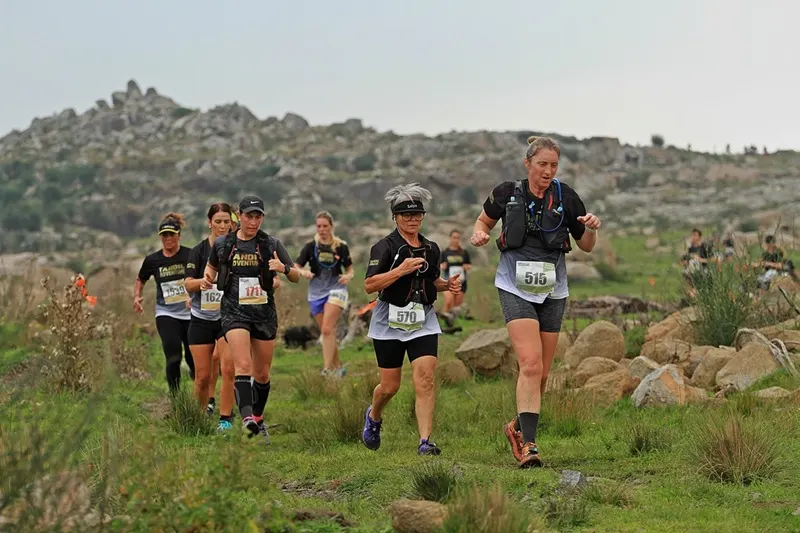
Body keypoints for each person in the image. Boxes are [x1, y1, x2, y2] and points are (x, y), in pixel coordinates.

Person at [470, 136, 601, 468]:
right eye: (542, 164)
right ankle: (529, 445)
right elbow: (483, 221)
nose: (548, 171)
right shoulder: (506, 192)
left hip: (553, 290)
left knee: (541, 373)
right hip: (514, 286)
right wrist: (479, 234)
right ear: (527, 163)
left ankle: (517, 426)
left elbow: (586, 246)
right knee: (529, 364)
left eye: (554, 165)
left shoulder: (567, 197)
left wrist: (591, 229)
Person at [361, 183, 461, 456]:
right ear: (395, 217)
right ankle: (374, 415)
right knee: (389, 386)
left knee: (425, 378)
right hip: (389, 320)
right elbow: (370, 285)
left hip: (422, 319)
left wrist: (446, 285)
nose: (412, 219)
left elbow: (430, 280)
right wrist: (401, 270)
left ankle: (425, 442)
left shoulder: (431, 248)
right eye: (406, 215)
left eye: (417, 214)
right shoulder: (384, 247)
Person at [204, 195, 299, 439]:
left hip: (263, 314)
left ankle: (257, 417)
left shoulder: (271, 244)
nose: (253, 222)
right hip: (234, 312)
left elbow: (296, 276)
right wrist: (207, 278)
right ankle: (246, 418)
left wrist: (284, 269)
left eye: (258, 217)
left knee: (262, 374)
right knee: (242, 366)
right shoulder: (224, 244)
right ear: (240, 216)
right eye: (249, 216)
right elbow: (211, 267)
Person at [185, 202, 236, 430]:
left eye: (226, 222)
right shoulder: (198, 251)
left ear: (231, 223)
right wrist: (202, 282)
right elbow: (187, 284)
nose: (222, 226)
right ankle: (198, 419)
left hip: (228, 318)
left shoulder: (237, 249)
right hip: (201, 318)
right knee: (203, 377)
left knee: (228, 370)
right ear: (209, 223)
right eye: (218, 222)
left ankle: (225, 420)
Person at [134, 213, 194, 392]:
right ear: (160, 237)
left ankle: (202, 394)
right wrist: (137, 296)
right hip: (166, 313)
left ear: (179, 235)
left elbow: (203, 277)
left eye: (171, 234)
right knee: (173, 357)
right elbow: (141, 279)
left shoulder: (190, 255)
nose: (168, 238)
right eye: (164, 235)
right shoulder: (153, 260)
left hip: (191, 313)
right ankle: (176, 398)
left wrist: (195, 296)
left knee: (193, 358)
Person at [295, 211, 354, 377]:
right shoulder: (310, 247)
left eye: (325, 226)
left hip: (336, 289)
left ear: (331, 227)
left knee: (327, 329)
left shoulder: (341, 246)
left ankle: (327, 370)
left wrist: (348, 276)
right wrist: (304, 272)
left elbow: (350, 269)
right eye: (319, 226)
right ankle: (338, 369)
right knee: (327, 333)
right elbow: (296, 266)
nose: (322, 229)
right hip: (316, 292)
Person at [440, 229, 472, 314]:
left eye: (458, 238)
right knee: (448, 302)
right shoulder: (444, 252)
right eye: (454, 238)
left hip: (460, 282)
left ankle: (452, 320)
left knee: (457, 306)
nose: (456, 240)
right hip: (448, 281)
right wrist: (442, 266)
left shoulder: (464, 252)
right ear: (450, 238)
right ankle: (442, 318)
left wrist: (466, 267)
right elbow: (439, 265)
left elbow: (469, 265)